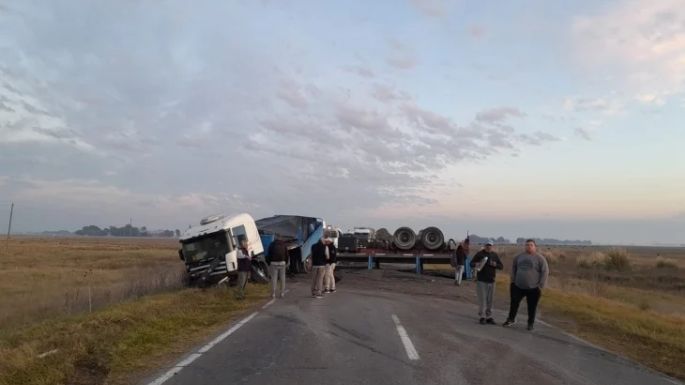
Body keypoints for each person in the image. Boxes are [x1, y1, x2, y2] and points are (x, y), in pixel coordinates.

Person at [503, 239, 549, 331]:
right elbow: (513, 268)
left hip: (533, 288)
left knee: (532, 307)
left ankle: (530, 323)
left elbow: (545, 271)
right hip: (518, 286)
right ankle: (511, 319)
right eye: (527, 245)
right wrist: (513, 281)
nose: (529, 246)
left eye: (531, 245)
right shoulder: (519, 257)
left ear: (535, 247)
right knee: (514, 303)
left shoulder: (540, 258)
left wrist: (541, 285)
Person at [469, 241, 503, 324]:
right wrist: (477, 264)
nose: (488, 247)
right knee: (482, 300)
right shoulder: (480, 254)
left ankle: (489, 317)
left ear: (492, 246)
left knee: (490, 300)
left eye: (490, 245)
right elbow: (471, 264)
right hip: (481, 280)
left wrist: (495, 264)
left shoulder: (494, 255)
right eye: (487, 245)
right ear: (484, 246)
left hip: (492, 281)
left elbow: (501, 266)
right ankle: (482, 317)